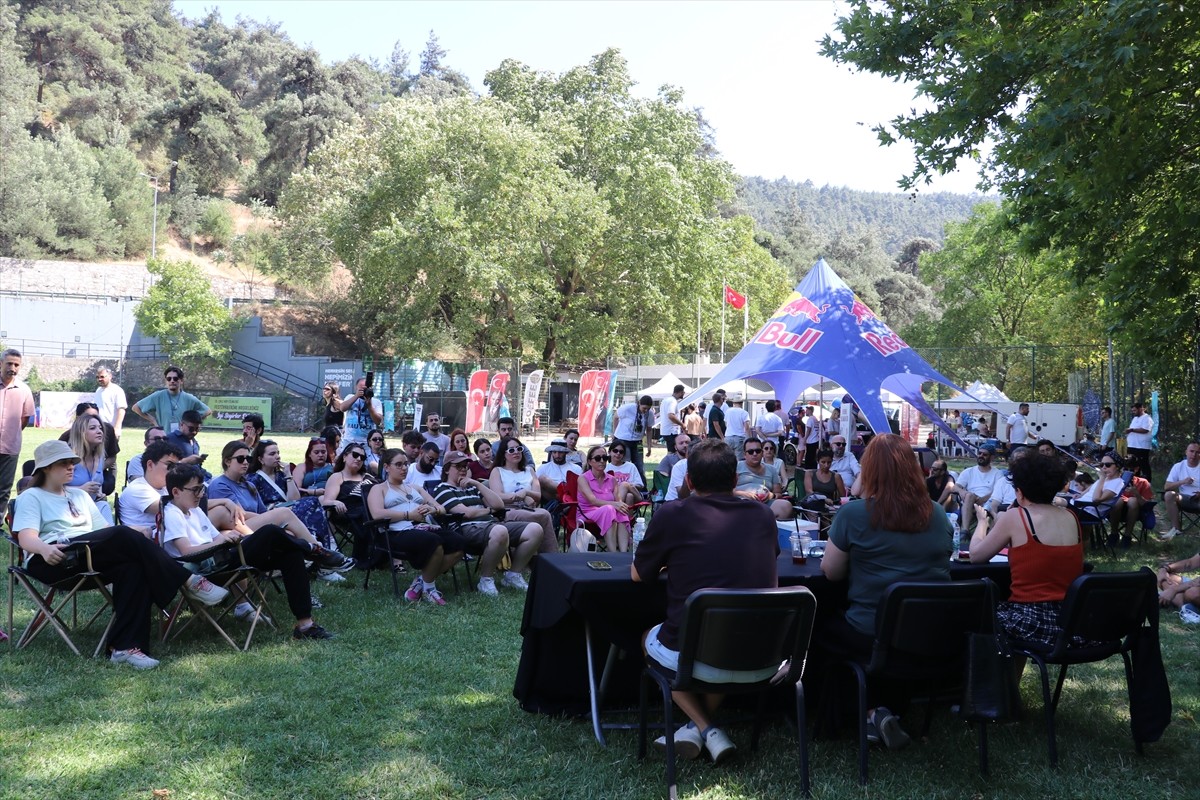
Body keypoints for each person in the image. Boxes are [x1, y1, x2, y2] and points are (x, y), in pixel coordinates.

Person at [13, 440, 230, 669]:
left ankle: (125, 648)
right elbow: (26, 537)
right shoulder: (32, 496)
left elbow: (104, 530)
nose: (71, 467)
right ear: (46, 468)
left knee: (134, 568)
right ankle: (187, 580)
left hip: (89, 554)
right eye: (64, 463)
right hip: (54, 558)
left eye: (72, 462)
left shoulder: (80, 496)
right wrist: (44, 548)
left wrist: (137, 532)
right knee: (122, 534)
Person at [633, 438, 779, 763]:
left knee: (648, 638)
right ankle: (699, 727)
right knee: (728, 635)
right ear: (735, 479)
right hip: (761, 658)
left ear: (688, 481)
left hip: (701, 655)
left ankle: (706, 728)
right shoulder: (763, 516)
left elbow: (637, 575)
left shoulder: (673, 514)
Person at [819, 434, 952, 750]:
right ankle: (878, 713)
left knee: (820, 628)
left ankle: (855, 713)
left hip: (871, 631)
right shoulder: (937, 514)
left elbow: (831, 572)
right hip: (927, 635)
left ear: (870, 470)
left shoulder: (853, 514)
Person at [161, 465, 335, 641]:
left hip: (221, 557)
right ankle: (312, 550)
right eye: (195, 490)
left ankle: (305, 625)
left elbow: (215, 538)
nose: (200, 495)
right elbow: (186, 552)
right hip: (206, 570)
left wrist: (228, 537)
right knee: (269, 531)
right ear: (176, 491)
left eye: (202, 489)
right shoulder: (172, 514)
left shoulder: (195, 510)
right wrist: (221, 541)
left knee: (291, 555)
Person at [969, 451, 1084, 650]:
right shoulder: (1071, 517)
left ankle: (993, 678)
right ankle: (1011, 678)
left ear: (1020, 492)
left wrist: (981, 523)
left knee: (975, 613)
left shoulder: (1015, 516)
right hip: (1072, 621)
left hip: (1032, 620)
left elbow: (976, 556)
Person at [208, 440, 350, 570]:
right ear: (227, 461)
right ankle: (320, 552)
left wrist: (272, 519)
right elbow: (237, 515)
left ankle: (309, 568)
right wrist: (274, 519)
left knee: (289, 534)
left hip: (255, 526)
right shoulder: (220, 485)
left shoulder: (248, 485)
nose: (245, 462)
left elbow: (269, 509)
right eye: (240, 459)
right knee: (283, 514)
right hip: (239, 530)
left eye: (248, 458)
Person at [431, 451, 539, 596]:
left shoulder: (472, 487)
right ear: (446, 469)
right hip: (466, 529)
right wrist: (488, 510)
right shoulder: (442, 489)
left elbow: (499, 505)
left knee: (535, 529)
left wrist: (476, 483)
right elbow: (466, 513)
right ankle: (486, 579)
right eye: (458, 466)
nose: (463, 469)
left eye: (465, 466)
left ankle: (513, 575)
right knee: (500, 531)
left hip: (491, 526)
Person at [367, 448, 464, 605]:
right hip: (395, 533)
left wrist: (432, 509)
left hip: (423, 528)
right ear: (386, 467)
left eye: (406, 464)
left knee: (459, 542)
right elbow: (377, 514)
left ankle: (421, 581)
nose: (404, 468)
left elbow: (441, 508)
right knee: (434, 542)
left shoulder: (415, 488)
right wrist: (408, 515)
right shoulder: (378, 489)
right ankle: (429, 589)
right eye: (398, 465)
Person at [247, 439, 342, 580]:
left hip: (289, 509)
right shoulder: (254, 478)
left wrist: (288, 476)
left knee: (313, 504)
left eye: (278, 453)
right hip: (271, 515)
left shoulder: (281, 476)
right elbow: (255, 506)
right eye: (272, 454)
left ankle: (320, 556)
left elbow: (294, 498)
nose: (277, 457)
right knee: (311, 503)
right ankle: (323, 557)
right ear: (261, 459)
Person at [489, 435, 556, 553]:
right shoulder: (497, 471)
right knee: (541, 516)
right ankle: (541, 555)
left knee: (545, 513)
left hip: (528, 508)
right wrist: (518, 497)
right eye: (511, 450)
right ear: (503, 454)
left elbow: (538, 496)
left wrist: (526, 492)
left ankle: (550, 556)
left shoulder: (529, 470)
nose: (516, 452)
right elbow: (497, 496)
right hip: (507, 510)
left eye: (519, 449)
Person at [320, 442, 378, 563]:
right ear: (345, 456)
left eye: (362, 457)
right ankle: (365, 557)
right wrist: (335, 502)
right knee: (365, 513)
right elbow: (327, 501)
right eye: (355, 455)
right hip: (346, 513)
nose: (359, 459)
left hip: (369, 510)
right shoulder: (337, 477)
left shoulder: (367, 476)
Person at [117, 440, 182, 537]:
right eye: (170, 465)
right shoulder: (137, 489)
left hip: (167, 536)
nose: (174, 470)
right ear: (150, 465)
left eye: (177, 466)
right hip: (149, 543)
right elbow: (172, 509)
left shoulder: (165, 488)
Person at [577, 444, 634, 552]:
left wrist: (619, 505)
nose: (602, 461)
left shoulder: (612, 479)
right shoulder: (583, 478)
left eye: (605, 458)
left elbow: (618, 501)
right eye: (598, 458)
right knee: (610, 509)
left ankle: (623, 552)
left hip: (607, 511)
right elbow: (592, 501)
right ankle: (612, 553)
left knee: (621, 510)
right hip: (587, 512)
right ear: (589, 461)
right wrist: (614, 505)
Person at [130, 365, 210, 433]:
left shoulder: (189, 398)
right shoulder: (158, 396)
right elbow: (136, 408)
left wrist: (193, 423)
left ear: (181, 380)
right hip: (164, 438)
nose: (172, 381)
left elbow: (207, 411)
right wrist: (153, 421)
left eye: (175, 379)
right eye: (169, 379)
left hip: (182, 439)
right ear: (166, 381)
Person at [66, 413, 113, 524]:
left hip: (90, 507)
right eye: (93, 428)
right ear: (80, 433)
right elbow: (50, 490)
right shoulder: (68, 457)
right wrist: (80, 490)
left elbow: (97, 483)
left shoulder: (100, 456)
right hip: (67, 509)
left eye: (100, 428)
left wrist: (99, 493)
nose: (99, 431)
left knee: (104, 506)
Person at [734, 436, 793, 520]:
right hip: (741, 503)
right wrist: (743, 494)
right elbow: (725, 491)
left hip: (764, 504)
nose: (754, 454)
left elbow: (778, 493)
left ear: (762, 452)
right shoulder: (736, 467)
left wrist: (771, 495)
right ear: (745, 454)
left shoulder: (771, 469)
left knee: (785, 506)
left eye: (757, 451)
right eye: (750, 452)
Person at [1159, 441, 1200, 541]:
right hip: (1184, 499)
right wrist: (1183, 481)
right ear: (1186, 452)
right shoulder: (1178, 466)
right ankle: (1176, 530)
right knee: (1169, 495)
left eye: (1197, 452)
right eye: (1191, 451)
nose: (1194, 455)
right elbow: (1166, 487)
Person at [611, 395, 655, 487]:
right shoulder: (628, 408)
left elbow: (649, 429)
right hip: (623, 440)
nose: (645, 411)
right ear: (639, 403)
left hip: (637, 441)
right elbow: (615, 417)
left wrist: (649, 446)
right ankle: (621, 487)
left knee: (639, 466)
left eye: (648, 408)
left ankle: (642, 490)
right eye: (644, 408)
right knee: (624, 464)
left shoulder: (649, 414)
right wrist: (614, 434)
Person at [957, 445, 1002, 532]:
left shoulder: (998, 474)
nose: (981, 456)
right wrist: (961, 491)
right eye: (979, 453)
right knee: (969, 495)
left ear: (992, 457)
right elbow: (955, 487)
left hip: (988, 502)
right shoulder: (969, 471)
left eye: (985, 454)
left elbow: (998, 491)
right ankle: (965, 530)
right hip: (971, 501)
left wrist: (983, 499)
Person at [338, 375, 384, 452]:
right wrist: (356, 396)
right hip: (350, 440)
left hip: (367, 441)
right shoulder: (350, 397)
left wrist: (369, 405)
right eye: (361, 388)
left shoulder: (376, 402)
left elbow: (378, 421)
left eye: (365, 389)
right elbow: (342, 408)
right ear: (356, 388)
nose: (364, 391)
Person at [606, 441, 646, 506]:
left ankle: (616, 507)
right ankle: (627, 516)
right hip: (612, 496)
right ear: (609, 452)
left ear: (623, 455)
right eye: (615, 451)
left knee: (625, 485)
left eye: (621, 452)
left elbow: (640, 485)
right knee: (629, 496)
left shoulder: (630, 466)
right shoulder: (606, 468)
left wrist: (626, 487)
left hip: (635, 495)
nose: (618, 453)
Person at [93, 367, 127, 439]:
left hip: (111, 430)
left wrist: (117, 428)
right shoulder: (98, 390)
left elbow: (121, 410)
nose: (99, 379)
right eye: (97, 377)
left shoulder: (117, 390)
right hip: (98, 429)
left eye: (102, 377)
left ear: (110, 376)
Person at [1124, 401, 1154, 482]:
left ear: (1141, 409)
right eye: (1132, 411)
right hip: (1132, 445)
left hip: (1141, 447)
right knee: (1131, 464)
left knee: (1143, 465)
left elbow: (1145, 430)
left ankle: (1146, 482)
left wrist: (1132, 430)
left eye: (1135, 410)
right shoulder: (1135, 418)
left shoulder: (1147, 418)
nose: (1133, 412)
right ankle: (1133, 481)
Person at [660, 384, 686, 453]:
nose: (683, 394)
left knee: (671, 451)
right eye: (683, 392)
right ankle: (671, 463)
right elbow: (671, 416)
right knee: (673, 452)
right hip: (671, 431)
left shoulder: (665, 400)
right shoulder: (672, 401)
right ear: (680, 392)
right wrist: (682, 424)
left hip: (666, 430)